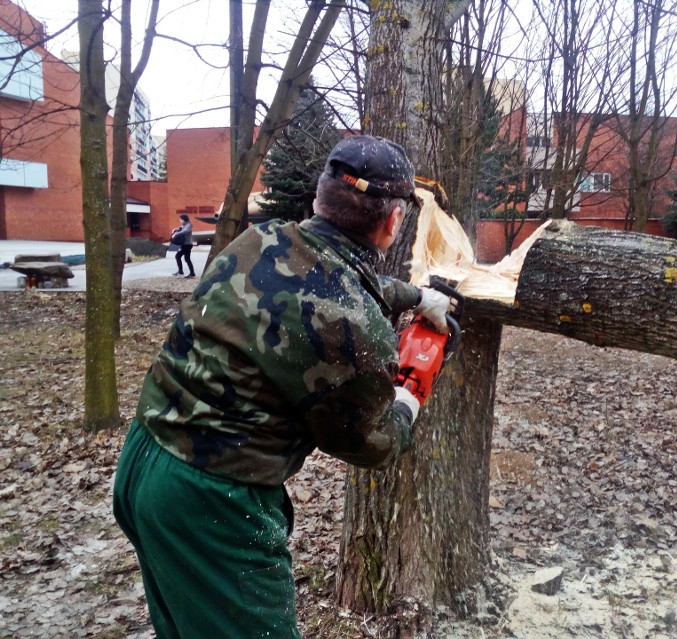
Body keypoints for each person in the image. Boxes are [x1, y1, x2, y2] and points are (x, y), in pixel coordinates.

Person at [113, 135, 452, 638]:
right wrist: (410, 392)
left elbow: (331, 285)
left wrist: (418, 296)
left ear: (319, 199)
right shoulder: (355, 328)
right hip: (212, 501)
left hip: (144, 459)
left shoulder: (264, 239)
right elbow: (371, 443)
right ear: (393, 220)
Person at [171, 213, 195, 278]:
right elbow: (181, 229)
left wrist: (176, 234)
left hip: (187, 244)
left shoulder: (188, 225)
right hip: (185, 244)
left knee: (179, 256)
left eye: (180, 219)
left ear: (184, 219)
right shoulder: (185, 224)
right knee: (186, 258)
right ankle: (188, 273)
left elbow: (185, 231)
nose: (180, 221)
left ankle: (183, 272)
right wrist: (175, 230)